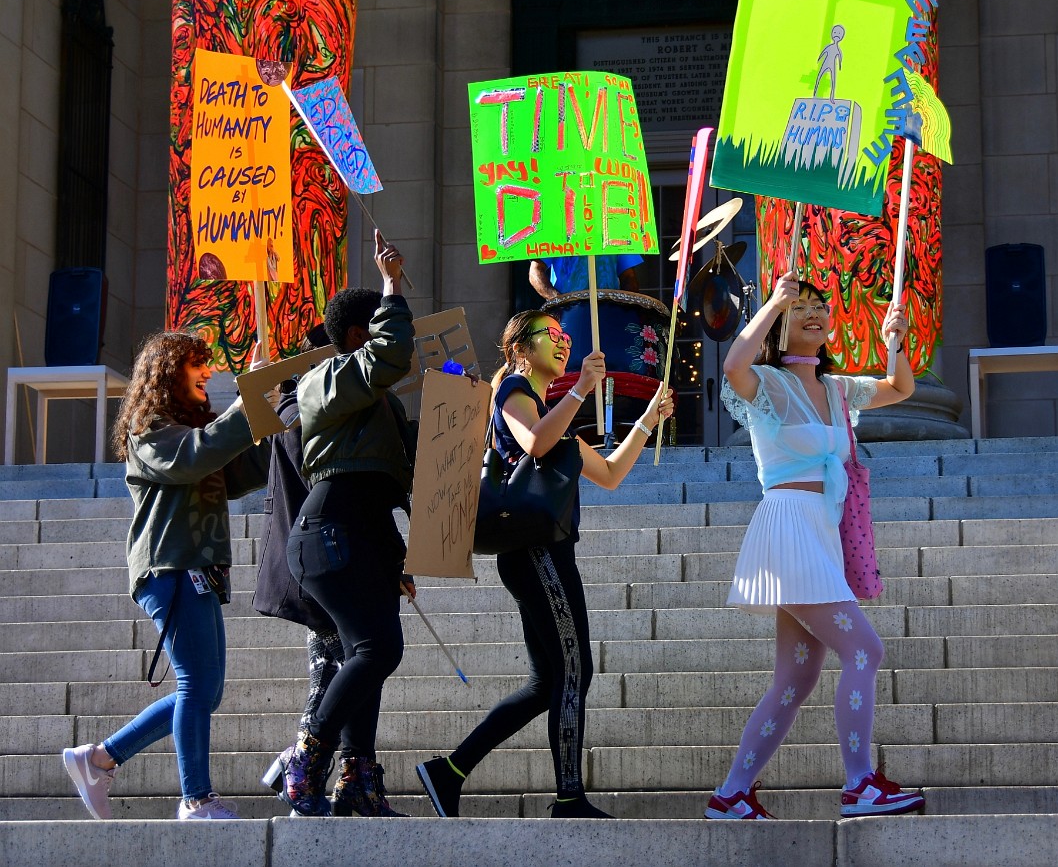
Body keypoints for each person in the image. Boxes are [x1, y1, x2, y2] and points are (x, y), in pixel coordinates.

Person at [416, 309, 674, 819]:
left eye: (564, 336)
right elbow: (535, 442)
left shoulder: (549, 413)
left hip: (542, 552)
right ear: (519, 349)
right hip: (537, 552)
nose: (561, 342)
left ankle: (449, 770)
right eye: (549, 336)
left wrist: (646, 420)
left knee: (547, 683)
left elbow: (611, 473)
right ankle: (569, 797)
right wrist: (581, 389)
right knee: (576, 671)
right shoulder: (514, 390)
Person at [704, 272, 924, 820]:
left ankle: (731, 794)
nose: (814, 312)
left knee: (796, 677)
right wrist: (772, 301)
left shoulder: (835, 387)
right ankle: (858, 784)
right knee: (864, 650)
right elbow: (731, 368)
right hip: (790, 527)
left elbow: (900, 389)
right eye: (798, 306)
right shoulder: (765, 382)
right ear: (778, 323)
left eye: (819, 305)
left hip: (820, 531)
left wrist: (896, 344)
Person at [62, 331, 269, 821]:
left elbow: (238, 472)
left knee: (203, 690)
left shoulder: (189, 430)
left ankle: (98, 759)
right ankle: (196, 798)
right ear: (167, 373)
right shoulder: (148, 428)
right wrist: (246, 404)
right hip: (170, 567)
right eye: (198, 364)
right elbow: (196, 454)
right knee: (197, 685)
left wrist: (268, 409)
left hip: (194, 568)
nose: (209, 372)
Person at [276, 230, 417, 818]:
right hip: (329, 534)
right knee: (378, 648)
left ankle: (357, 779)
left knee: (371, 654)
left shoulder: (381, 403)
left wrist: (399, 557)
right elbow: (389, 355)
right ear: (359, 336)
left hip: (363, 536)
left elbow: (394, 485)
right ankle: (308, 760)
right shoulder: (327, 381)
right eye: (377, 322)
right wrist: (391, 285)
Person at [252, 324, 350, 806]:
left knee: (334, 671)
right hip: (322, 560)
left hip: (323, 558)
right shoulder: (301, 412)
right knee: (330, 673)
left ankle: (302, 763)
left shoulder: (296, 407)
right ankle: (300, 767)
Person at [529, 253, 641, 301]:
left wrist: (628, 309)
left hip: (610, 309)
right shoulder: (558, 225)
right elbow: (535, 271)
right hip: (567, 312)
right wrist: (559, 300)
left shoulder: (614, 226)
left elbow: (629, 278)